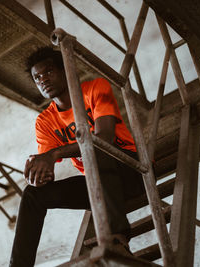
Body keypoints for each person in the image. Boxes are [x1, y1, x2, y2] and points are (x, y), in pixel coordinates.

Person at [9, 47, 145, 267]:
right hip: (95, 186)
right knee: (33, 195)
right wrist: (40, 174)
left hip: (130, 171)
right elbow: (47, 167)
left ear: (65, 71)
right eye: (37, 78)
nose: (43, 80)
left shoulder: (96, 88)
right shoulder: (44, 121)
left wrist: (55, 154)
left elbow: (105, 137)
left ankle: (118, 237)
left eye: (49, 72)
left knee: (97, 151)